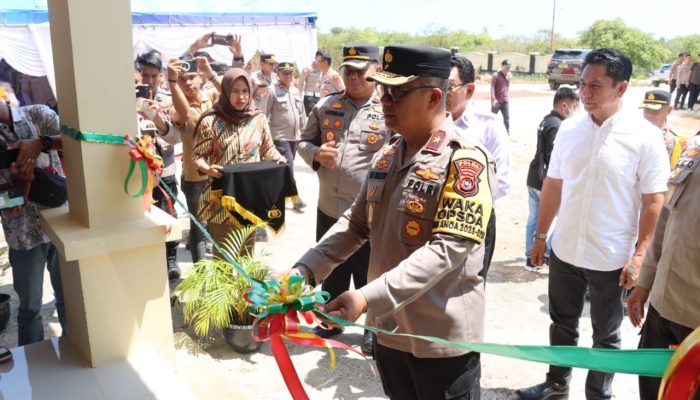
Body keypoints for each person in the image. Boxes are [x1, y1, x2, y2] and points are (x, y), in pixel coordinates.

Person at [291, 44, 495, 400]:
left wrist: (366, 298)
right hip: (390, 332)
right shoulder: (388, 154)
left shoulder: (464, 161)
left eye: (397, 92)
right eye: (384, 89)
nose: (385, 99)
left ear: (434, 97)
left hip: (439, 342)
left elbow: (447, 250)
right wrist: (306, 270)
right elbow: (355, 224)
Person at [516, 48, 669, 400]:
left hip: (611, 258)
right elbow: (554, 184)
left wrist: (640, 255)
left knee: (606, 336)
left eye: (595, 86)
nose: (585, 94)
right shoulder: (569, 130)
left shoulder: (644, 137)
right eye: (582, 85)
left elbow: (653, 201)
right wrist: (541, 236)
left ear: (622, 88)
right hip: (566, 249)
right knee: (562, 325)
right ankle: (557, 384)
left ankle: (598, 394)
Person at [296, 43, 389, 354]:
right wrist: (316, 153)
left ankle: (371, 330)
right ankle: (329, 321)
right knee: (331, 269)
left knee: (369, 273)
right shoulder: (326, 106)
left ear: (376, 69)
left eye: (360, 70)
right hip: (329, 206)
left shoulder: (389, 110)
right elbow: (304, 142)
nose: (353, 76)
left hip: (370, 213)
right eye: (348, 70)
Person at [626, 132, 700, 400]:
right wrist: (645, 282)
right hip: (662, 308)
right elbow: (668, 216)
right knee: (652, 392)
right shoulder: (695, 144)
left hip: (695, 325)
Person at [191, 68, 286, 247]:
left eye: (245, 91)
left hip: (249, 198)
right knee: (224, 258)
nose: (241, 97)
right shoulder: (210, 121)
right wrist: (207, 169)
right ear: (226, 92)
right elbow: (197, 156)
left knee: (246, 255)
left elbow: (268, 150)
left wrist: (279, 159)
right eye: (235, 91)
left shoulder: (258, 119)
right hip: (220, 198)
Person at [0, 101, 67, 346]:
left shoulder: (37, 114)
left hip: (62, 225)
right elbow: (6, 206)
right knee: (29, 309)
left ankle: (77, 357)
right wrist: (22, 185)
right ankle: (34, 370)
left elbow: (77, 139)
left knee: (69, 301)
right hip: (22, 236)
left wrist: (41, 142)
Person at [447, 55, 510, 278]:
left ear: (470, 90)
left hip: (473, 221)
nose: (440, 93)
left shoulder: (488, 126)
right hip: (426, 219)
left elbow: (501, 183)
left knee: (467, 289)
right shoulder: (427, 122)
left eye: (449, 86)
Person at [163, 44, 220, 264]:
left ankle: (220, 274)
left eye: (193, 77)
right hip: (195, 178)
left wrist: (211, 73)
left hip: (218, 173)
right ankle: (201, 275)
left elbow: (235, 90)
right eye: (183, 78)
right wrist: (171, 81)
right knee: (200, 228)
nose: (188, 82)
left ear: (200, 78)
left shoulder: (212, 95)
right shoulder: (174, 105)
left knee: (219, 224)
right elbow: (184, 114)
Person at [523, 87, 579, 272]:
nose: (576, 111)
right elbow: (552, 157)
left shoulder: (547, 120)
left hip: (533, 178)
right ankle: (544, 253)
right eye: (574, 106)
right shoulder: (558, 125)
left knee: (535, 218)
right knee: (565, 219)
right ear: (564, 105)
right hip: (544, 181)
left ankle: (531, 256)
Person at [264, 61, 308, 211]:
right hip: (279, 136)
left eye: (290, 72)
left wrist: (305, 132)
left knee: (284, 169)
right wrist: (264, 137)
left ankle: (273, 196)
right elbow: (263, 113)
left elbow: (301, 113)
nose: (288, 75)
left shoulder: (295, 90)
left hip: (294, 137)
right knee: (288, 167)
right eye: (285, 73)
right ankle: (295, 198)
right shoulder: (272, 90)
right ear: (278, 74)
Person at [640, 89, 687, 168]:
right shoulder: (635, 133)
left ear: (669, 110)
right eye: (646, 110)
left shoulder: (676, 141)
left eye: (655, 111)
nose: (649, 116)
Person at [491, 59, 511, 134]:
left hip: (505, 101)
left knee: (507, 118)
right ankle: (490, 132)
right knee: (492, 118)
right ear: (502, 66)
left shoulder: (508, 76)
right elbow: (492, 88)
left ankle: (507, 133)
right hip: (496, 101)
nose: (508, 68)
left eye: (509, 67)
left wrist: (505, 95)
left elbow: (507, 87)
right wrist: (493, 99)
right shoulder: (496, 75)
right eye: (506, 67)